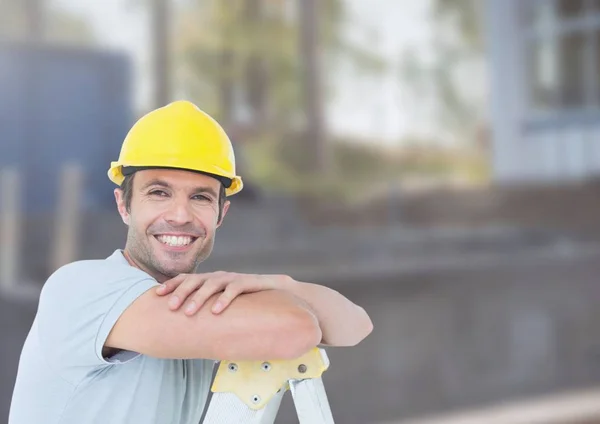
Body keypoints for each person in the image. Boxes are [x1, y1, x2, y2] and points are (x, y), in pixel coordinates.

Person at [8, 100, 373, 424]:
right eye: (159, 192)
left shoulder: (194, 305)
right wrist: (280, 299)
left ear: (220, 213)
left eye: (200, 197)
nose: (180, 215)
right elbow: (296, 329)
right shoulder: (80, 288)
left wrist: (279, 283)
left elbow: (356, 325)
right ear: (124, 205)